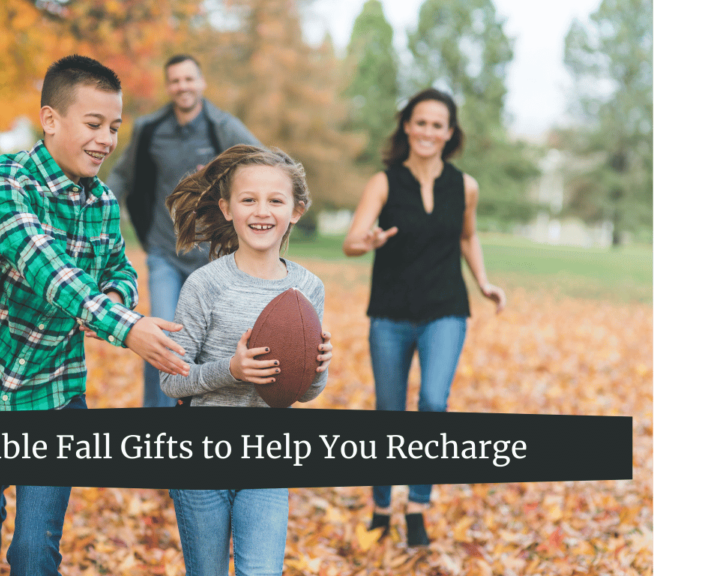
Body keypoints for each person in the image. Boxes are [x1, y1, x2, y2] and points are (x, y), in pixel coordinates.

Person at [0, 55, 191, 576]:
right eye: (94, 124)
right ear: (51, 120)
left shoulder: (100, 200)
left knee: (35, 553)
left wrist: (115, 302)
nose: (105, 139)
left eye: (114, 127)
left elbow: (118, 269)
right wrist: (126, 327)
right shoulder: (4, 183)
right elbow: (42, 263)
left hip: (56, 392)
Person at [342, 88, 507, 548]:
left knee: (433, 404)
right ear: (407, 127)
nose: (428, 131)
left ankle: (417, 507)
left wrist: (484, 282)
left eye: (438, 124)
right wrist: (368, 241)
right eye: (420, 122)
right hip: (390, 314)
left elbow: (467, 238)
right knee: (389, 413)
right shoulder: (384, 181)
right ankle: (380, 508)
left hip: (446, 310)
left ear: (450, 132)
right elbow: (351, 241)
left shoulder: (465, 185)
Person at [160, 144, 334, 574]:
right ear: (226, 208)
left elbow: (305, 392)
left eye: (276, 200)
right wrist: (231, 370)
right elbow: (172, 380)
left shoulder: (307, 289)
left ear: (296, 210)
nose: (262, 210)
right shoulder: (205, 285)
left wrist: (319, 366)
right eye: (248, 199)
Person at [107, 54, 262, 408]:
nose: (183, 87)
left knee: (215, 346)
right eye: (175, 81)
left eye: (189, 79)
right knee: (161, 338)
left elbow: (264, 163)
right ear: (168, 87)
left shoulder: (223, 127)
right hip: (166, 252)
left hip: (214, 258)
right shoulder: (150, 128)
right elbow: (121, 175)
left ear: (201, 82)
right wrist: (102, 208)